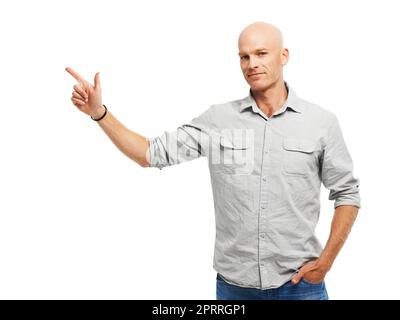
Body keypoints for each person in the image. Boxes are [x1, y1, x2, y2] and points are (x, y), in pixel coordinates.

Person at [66, 21, 360, 300]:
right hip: (235, 288)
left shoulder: (321, 123)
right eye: (244, 56)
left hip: (300, 286)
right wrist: (99, 113)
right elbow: (149, 153)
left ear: (284, 56)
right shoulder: (219, 120)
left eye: (261, 53)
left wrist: (327, 261)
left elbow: (347, 194)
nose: (252, 63)